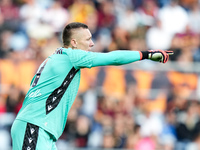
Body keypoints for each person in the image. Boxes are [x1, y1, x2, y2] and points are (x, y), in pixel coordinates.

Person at [11, 22, 173, 150]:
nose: (92, 43)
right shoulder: (71, 56)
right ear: (74, 42)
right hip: (34, 126)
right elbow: (113, 59)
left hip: (40, 128)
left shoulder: (57, 58)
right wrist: (146, 54)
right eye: (88, 39)